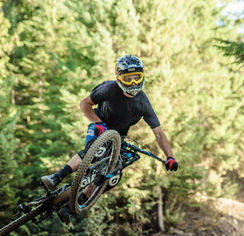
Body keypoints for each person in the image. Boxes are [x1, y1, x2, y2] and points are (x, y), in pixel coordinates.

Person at [41, 55, 178, 194]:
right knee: (95, 152)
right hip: (100, 125)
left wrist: (170, 157)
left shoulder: (143, 103)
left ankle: (78, 202)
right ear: (119, 78)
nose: (133, 83)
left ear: (142, 76)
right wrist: (98, 122)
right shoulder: (108, 89)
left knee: (112, 176)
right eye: (127, 79)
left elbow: (159, 133)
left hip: (118, 136)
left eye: (137, 77)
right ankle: (56, 177)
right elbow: (84, 104)